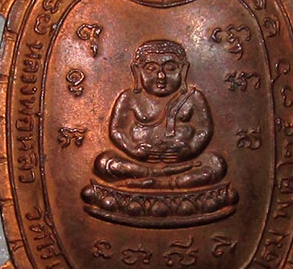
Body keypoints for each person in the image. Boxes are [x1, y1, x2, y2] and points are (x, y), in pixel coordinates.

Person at [93, 39, 227, 189]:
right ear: (137, 70)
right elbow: (117, 130)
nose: (161, 76)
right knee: (104, 162)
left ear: (183, 70)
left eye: (170, 68)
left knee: (216, 164)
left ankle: (158, 182)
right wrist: (132, 149)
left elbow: (204, 129)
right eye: (151, 68)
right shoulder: (129, 97)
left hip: (185, 164)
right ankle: (161, 178)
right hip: (139, 164)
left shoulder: (193, 97)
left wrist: (190, 149)